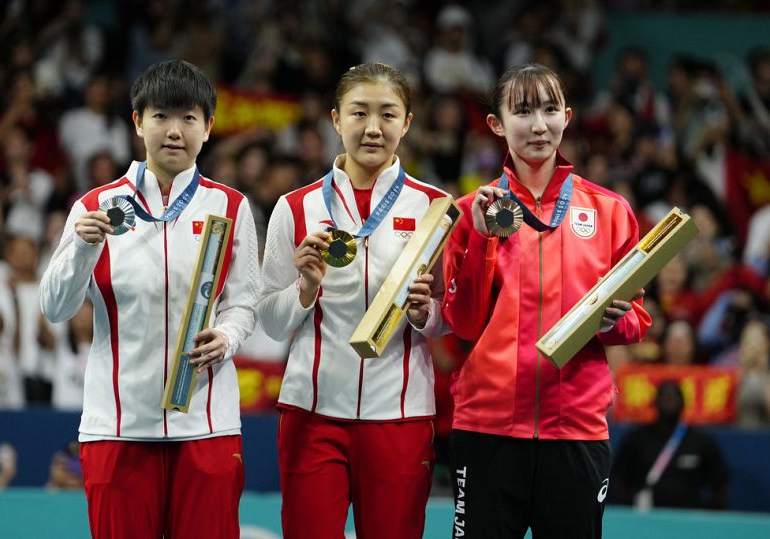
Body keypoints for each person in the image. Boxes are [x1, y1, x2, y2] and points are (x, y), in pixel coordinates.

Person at [39, 60, 260, 539]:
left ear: (209, 127)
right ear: (137, 122)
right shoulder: (95, 206)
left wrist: (227, 334)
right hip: (117, 429)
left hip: (207, 427)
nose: (174, 131)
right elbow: (55, 307)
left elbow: (245, 302)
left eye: (188, 118)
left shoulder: (233, 206)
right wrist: (80, 246)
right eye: (161, 116)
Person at [442, 63, 652, 538]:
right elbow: (463, 323)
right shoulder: (470, 211)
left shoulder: (610, 211)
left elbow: (637, 319)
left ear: (568, 116)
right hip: (488, 429)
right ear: (496, 124)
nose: (539, 125)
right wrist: (478, 239)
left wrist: (613, 323)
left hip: (576, 430)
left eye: (550, 109)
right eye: (522, 111)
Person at [258, 62, 449, 539]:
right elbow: (270, 320)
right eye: (359, 113)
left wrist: (429, 315)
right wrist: (303, 290)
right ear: (335, 119)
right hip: (312, 412)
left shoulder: (436, 209)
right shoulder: (296, 206)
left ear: (407, 123)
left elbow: (452, 314)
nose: (372, 128)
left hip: (400, 416)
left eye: (388, 115)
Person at [611, 380, 729, 510]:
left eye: (673, 397)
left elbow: (720, 486)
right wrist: (632, 508)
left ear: (683, 403)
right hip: (646, 520)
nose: (669, 401)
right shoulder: (636, 440)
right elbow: (620, 481)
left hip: (689, 521)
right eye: (665, 397)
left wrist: (704, 515)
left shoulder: (701, 442)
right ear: (655, 403)